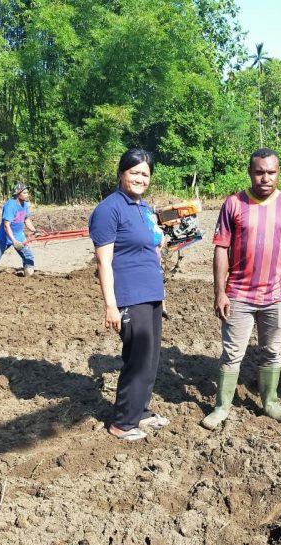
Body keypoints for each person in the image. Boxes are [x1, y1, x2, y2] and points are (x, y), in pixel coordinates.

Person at [201, 148, 281, 430]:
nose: (265, 178)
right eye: (259, 172)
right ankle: (222, 406)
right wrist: (220, 291)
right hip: (239, 295)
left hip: (276, 296)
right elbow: (221, 249)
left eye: (271, 172)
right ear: (250, 172)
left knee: (272, 351)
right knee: (232, 353)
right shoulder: (233, 205)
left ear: (278, 173)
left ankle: (270, 402)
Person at [89, 149, 170, 442]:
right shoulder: (108, 209)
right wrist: (111, 305)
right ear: (122, 173)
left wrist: (161, 293)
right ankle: (122, 422)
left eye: (145, 174)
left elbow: (152, 251)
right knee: (137, 358)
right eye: (134, 172)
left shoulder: (144, 208)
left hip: (150, 293)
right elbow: (103, 262)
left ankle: (141, 411)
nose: (140, 178)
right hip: (129, 295)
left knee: (150, 358)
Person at [0, 183, 40, 277]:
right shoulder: (10, 206)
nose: (27, 194)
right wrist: (14, 241)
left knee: (28, 256)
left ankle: (29, 276)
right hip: (4, 236)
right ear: (18, 193)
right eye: (24, 192)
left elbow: (26, 220)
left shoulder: (25, 205)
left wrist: (35, 231)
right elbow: (6, 226)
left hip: (19, 235)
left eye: (27, 192)